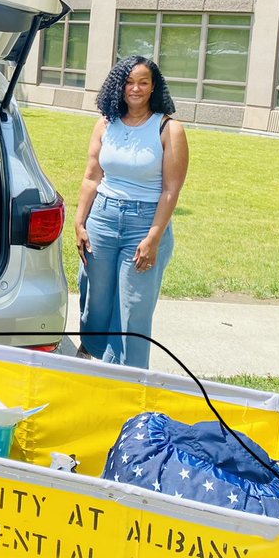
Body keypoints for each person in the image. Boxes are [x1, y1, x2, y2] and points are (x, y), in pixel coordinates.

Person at [75, 55, 189, 369]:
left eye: (143, 82)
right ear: (118, 85)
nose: (135, 89)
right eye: (128, 82)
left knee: (133, 307)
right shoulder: (105, 123)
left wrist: (154, 237)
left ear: (154, 87)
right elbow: (91, 176)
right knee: (95, 297)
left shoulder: (169, 128)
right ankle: (92, 361)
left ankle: (128, 378)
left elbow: (170, 190)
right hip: (102, 219)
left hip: (145, 223)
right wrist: (79, 221)